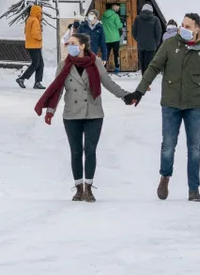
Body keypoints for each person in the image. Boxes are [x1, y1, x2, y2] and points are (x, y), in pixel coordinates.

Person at [125, 12, 200, 203]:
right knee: (168, 146)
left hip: (195, 104)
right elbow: (153, 67)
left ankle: (194, 189)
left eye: (188, 26)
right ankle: (165, 176)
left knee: (194, 149)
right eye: (182, 25)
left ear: (197, 29)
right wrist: (139, 91)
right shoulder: (169, 45)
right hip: (171, 103)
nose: (183, 29)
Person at [34, 32, 129, 202]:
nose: (69, 46)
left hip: (94, 113)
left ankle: (89, 188)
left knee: (90, 150)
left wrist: (125, 96)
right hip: (71, 114)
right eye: (68, 43)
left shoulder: (96, 63)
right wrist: (50, 111)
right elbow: (57, 89)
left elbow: (107, 82)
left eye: (72, 43)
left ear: (82, 46)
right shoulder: (63, 65)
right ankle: (78, 188)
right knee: (76, 151)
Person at [16, 4, 45, 89]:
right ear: (36, 12)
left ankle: (37, 82)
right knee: (36, 64)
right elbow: (35, 33)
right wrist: (40, 38)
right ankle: (22, 78)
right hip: (34, 45)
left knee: (40, 64)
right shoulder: (35, 20)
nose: (41, 14)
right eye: (40, 12)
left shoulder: (29, 19)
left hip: (31, 44)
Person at [132, 5, 163, 74]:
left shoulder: (137, 19)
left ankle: (144, 79)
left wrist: (139, 40)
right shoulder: (155, 19)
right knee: (149, 65)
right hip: (151, 46)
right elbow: (158, 33)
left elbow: (133, 32)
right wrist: (156, 43)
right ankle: (147, 81)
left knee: (142, 64)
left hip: (141, 45)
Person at [102, 5, 124, 73]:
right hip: (115, 38)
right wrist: (122, 23)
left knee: (106, 54)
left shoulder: (103, 16)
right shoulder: (115, 16)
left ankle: (103, 68)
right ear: (114, 7)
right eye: (118, 7)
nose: (119, 8)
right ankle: (117, 67)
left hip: (106, 38)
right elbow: (119, 25)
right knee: (116, 54)